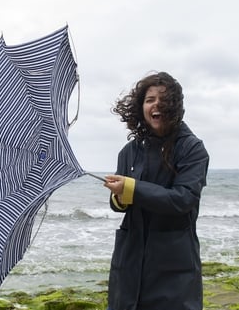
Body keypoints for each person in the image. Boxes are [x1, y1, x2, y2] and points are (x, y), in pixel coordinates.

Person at [103, 71, 209, 310]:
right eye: (149, 100)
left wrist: (131, 187)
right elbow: (119, 205)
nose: (156, 105)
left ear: (175, 105)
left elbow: (183, 199)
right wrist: (119, 196)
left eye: (163, 99)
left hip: (173, 265)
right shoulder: (129, 151)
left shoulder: (192, 149)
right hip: (129, 260)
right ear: (140, 107)